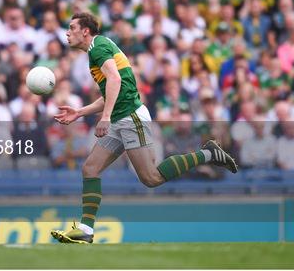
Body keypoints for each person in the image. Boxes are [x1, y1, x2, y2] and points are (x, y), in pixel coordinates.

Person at [51, 13, 237, 244]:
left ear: (85, 31)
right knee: (90, 168)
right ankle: (86, 230)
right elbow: (111, 90)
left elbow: (115, 81)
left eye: (72, 28)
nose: (67, 33)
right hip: (120, 120)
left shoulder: (97, 48)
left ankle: (209, 153)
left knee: (151, 177)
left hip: (130, 118)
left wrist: (105, 117)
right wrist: (79, 112)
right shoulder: (96, 50)